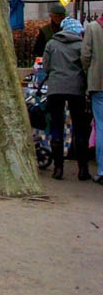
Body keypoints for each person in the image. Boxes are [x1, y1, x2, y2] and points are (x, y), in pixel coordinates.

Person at [43, 16, 89, 180]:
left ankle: (58, 168)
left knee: (56, 126)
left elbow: (46, 66)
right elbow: (85, 65)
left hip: (55, 89)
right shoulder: (80, 45)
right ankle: (83, 169)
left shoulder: (51, 44)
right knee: (79, 127)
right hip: (76, 89)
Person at [82, 13, 103, 184]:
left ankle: (102, 170)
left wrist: (87, 71)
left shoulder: (93, 28)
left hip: (98, 83)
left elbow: (86, 55)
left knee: (101, 126)